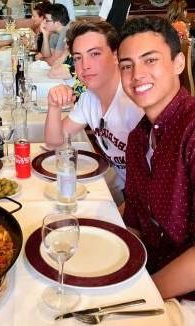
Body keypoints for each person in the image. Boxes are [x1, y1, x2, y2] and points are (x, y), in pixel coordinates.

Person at [119, 16, 195, 304]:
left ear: (178, 63)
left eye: (150, 60)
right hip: (150, 273)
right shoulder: (138, 138)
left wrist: (142, 294)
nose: (137, 74)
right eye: (127, 65)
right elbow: (136, 218)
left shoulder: (191, 129)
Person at [44, 21, 144, 205]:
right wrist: (53, 107)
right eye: (78, 58)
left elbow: (157, 179)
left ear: (116, 56)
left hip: (144, 203)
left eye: (95, 54)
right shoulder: (89, 97)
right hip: (125, 190)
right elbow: (54, 142)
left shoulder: (135, 103)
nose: (85, 66)